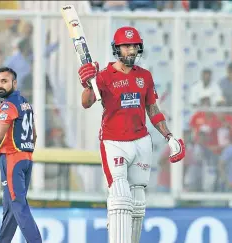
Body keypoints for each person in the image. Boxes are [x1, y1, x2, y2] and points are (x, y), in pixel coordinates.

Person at [77, 26, 185, 243]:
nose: (131, 50)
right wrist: (88, 84)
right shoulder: (104, 76)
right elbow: (86, 103)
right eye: (126, 46)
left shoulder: (145, 76)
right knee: (120, 199)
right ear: (117, 49)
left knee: (137, 202)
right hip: (114, 142)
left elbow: (152, 109)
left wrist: (169, 136)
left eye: (134, 46)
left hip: (141, 142)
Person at [0, 67, 42, 243]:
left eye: (4, 81)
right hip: (26, 158)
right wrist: (26, 151)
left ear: (14, 83)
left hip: (13, 159)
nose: (0, 85)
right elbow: (34, 135)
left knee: (18, 206)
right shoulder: (25, 103)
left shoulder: (8, 105)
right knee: (11, 208)